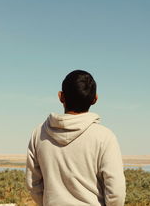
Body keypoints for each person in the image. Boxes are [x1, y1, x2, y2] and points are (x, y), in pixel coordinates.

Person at [26, 70, 126, 206]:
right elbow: (116, 192)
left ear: (61, 97)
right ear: (95, 99)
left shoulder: (39, 134)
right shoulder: (104, 137)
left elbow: (33, 184)